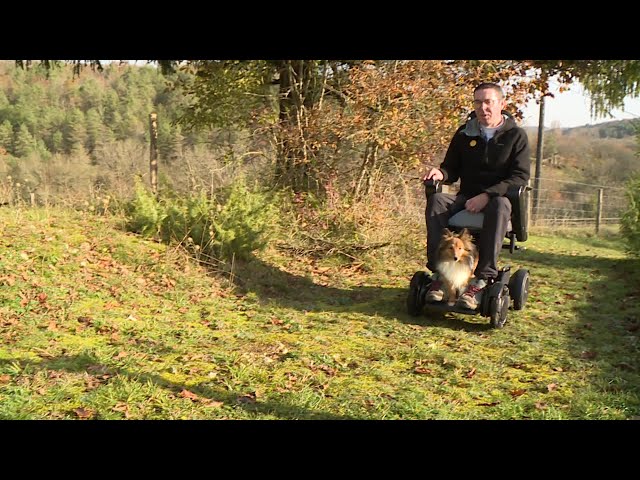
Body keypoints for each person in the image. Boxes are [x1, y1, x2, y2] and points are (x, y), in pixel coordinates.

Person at [422, 82, 531, 310]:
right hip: (466, 198)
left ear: (501, 104)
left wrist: (487, 195)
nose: (483, 108)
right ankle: (439, 274)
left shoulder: (516, 136)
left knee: (500, 204)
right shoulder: (464, 134)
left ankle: (482, 279)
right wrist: (440, 173)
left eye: (488, 102)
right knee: (437, 201)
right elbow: (451, 168)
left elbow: (519, 177)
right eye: (478, 102)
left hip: (498, 202)